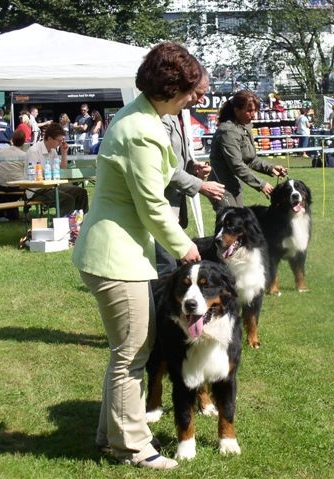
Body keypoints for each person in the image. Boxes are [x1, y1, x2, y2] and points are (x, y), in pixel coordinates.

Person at [72, 42, 204, 471]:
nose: (192, 97)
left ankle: (110, 437)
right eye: (188, 89)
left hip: (120, 251)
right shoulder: (142, 130)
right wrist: (186, 246)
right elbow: (151, 205)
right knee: (132, 353)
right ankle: (134, 446)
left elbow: (161, 174)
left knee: (127, 351)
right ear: (170, 87)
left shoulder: (143, 119)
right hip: (116, 255)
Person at [158, 69, 225, 275]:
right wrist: (202, 186)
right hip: (159, 208)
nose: (201, 99)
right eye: (199, 93)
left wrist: (193, 167)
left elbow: (177, 158)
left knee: (170, 265)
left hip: (174, 207)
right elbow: (164, 168)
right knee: (166, 268)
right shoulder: (161, 119)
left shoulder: (180, 116)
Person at [208, 90, 288, 210]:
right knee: (232, 225)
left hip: (234, 186)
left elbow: (251, 159)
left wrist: (271, 168)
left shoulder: (244, 128)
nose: (253, 114)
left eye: (255, 110)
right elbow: (237, 165)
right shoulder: (228, 132)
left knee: (239, 224)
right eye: (249, 111)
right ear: (236, 110)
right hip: (221, 187)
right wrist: (261, 184)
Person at [26, 123, 88, 217]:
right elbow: (34, 177)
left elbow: (62, 168)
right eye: (59, 141)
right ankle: (57, 227)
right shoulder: (34, 151)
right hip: (37, 189)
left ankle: (79, 222)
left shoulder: (53, 151)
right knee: (67, 199)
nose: (60, 143)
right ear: (50, 138)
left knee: (81, 192)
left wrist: (64, 153)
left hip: (51, 186)